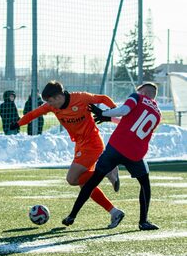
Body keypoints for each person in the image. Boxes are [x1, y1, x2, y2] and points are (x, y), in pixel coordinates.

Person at [10, 80, 123, 228]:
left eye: (51, 101)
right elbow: (34, 113)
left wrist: (113, 110)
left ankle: (106, 170)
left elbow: (102, 98)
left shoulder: (81, 98)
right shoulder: (52, 106)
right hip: (80, 145)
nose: (50, 104)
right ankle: (115, 212)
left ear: (58, 96)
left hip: (92, 143)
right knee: (84, 183)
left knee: (71, 179)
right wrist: (19, 123)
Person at [62, 82, 161, 231]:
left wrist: (104, 113)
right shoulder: (157, 113)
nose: (136, 92)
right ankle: (143, 221)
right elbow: (132, 122)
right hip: (135, 153)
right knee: (145, 185)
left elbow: (124, 110)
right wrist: (109, 119)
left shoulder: (137, 97)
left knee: (92, 181)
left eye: (138, 90)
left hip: (116, 147)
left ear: (144, 92)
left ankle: (72, 216)